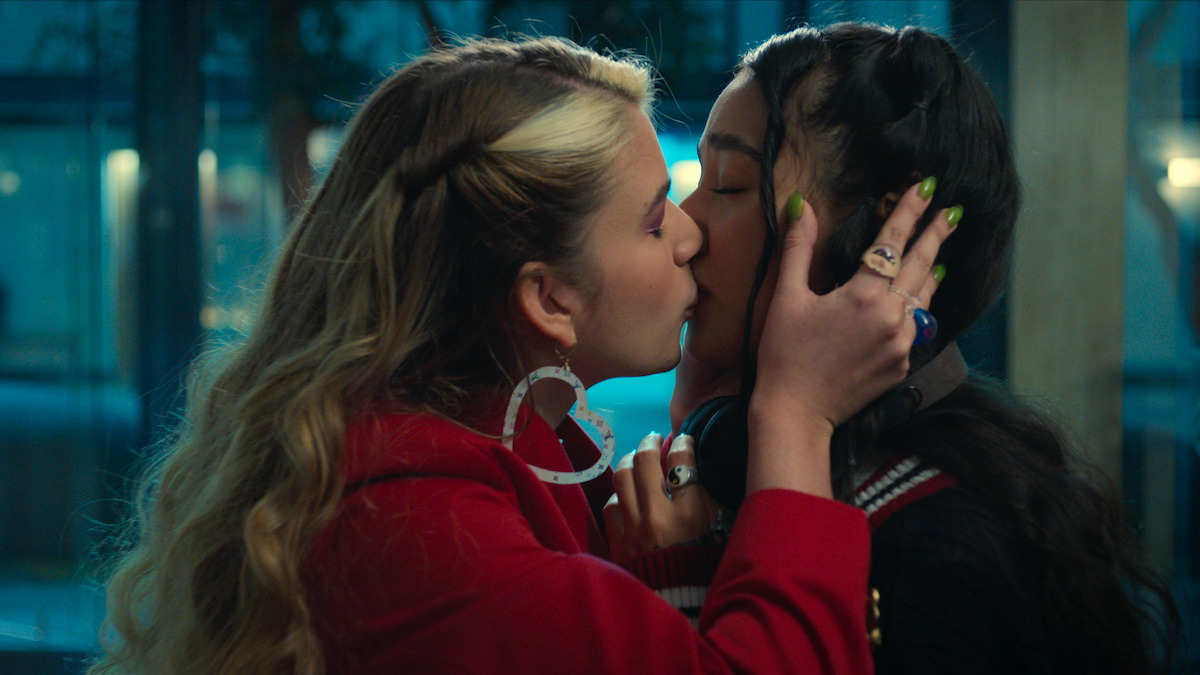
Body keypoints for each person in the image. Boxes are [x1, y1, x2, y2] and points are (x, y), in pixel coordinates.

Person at [89, 36, 953, 674]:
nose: (691, 234)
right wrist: (796, 415)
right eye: (657, 218)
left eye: (720, 191)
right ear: (547, 299)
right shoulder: (424, 537)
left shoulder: (497, 441)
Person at [606, 22, 1182, 675]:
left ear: (880, 237)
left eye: (730, 184)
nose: (685, 223)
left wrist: (680, 593)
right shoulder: (765, 460)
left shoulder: (936, 559)